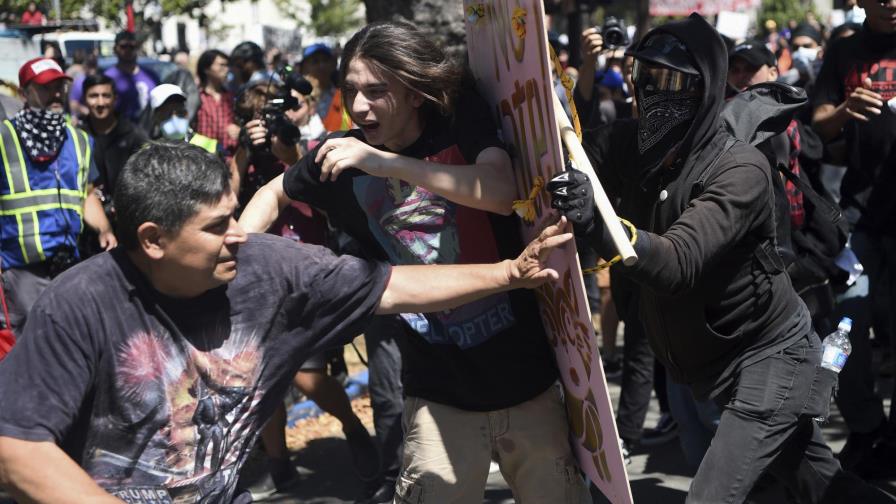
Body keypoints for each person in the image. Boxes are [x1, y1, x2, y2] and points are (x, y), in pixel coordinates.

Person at [0, 140, 572, 503]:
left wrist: (508, 273)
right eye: (216, 226)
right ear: (152, 240)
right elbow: (18, 448)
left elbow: (389, 285)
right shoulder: (78, 303)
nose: (239, 234)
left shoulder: (263, 267)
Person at [240, 20, 590, 504]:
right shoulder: (342, 154)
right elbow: (274, 191)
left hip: (528, 384)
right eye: (351, 91)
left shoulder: (461, 117)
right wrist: (233, 248)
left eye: (377, 91)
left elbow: (502, 190)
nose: (359, 107)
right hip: (436, 396)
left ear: (415, 92)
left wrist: (386, 164)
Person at [551, 14, 893, 502]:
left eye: (671, 82)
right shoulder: (632, 144)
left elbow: (676, 262)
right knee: (821, 484)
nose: (654, 92)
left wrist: (598, 224)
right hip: (709, 366)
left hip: (770, 358)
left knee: (711, 495)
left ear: (706, 89)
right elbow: (570, 154)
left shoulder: (740, 168)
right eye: (645, 77)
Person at [811, 0, 896, 477]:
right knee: (842, 332)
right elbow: (817, 120)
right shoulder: (845, 51)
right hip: (859, 217)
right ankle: (865, 428)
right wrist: (845, 110)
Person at [0, 58, 117, 332]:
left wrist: (103, 228)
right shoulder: (4, 137)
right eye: (46, 87)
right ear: (25, 92)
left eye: (59, 87)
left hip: (68, 264)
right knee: (27, 345)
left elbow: (85, 193)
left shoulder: (78, 139)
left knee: (67, 339)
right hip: (20, 268)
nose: (55, 94)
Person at [79, 73, 148, 202]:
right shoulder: (77, 138)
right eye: (94, 96)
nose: (100, 103)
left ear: (115, 99)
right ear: (84, 99)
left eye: (106, 96)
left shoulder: (134, 135)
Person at [104, 31, 158, 127]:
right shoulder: (107, 78)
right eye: (123, 46)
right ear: (115, 49)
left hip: (149, 133)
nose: (128, 50)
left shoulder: (151, 76)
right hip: (120, 134)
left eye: (132, 47)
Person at [194, 49, 240, 158]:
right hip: (204, 159)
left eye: (227, 65)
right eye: (221, 65)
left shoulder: (232, 97)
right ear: (206, 69)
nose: (226, 69)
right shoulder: (196, 97)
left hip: (229, 158)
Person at [148, 84, 218, 154]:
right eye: (166, 113)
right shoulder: (149, 153)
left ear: (186, 114)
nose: (174, 119)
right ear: (155, 118)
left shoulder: (209, 146)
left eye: (180, 112)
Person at [300, 43, 351, 133]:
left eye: (325, 60)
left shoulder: (343, 95)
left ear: (333, 63)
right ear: (305, 67)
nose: (321, 65)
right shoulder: (298, 97)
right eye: (315, 61)